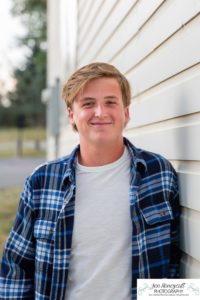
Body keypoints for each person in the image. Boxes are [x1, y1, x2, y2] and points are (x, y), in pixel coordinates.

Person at [0, 62, 180, 299]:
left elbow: (175, 263)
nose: (100, 112)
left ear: (125, 112)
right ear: (71, 115)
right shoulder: (42, 181)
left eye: (110, 102)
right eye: (88, 104)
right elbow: (15, 269)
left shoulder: (159, 173)